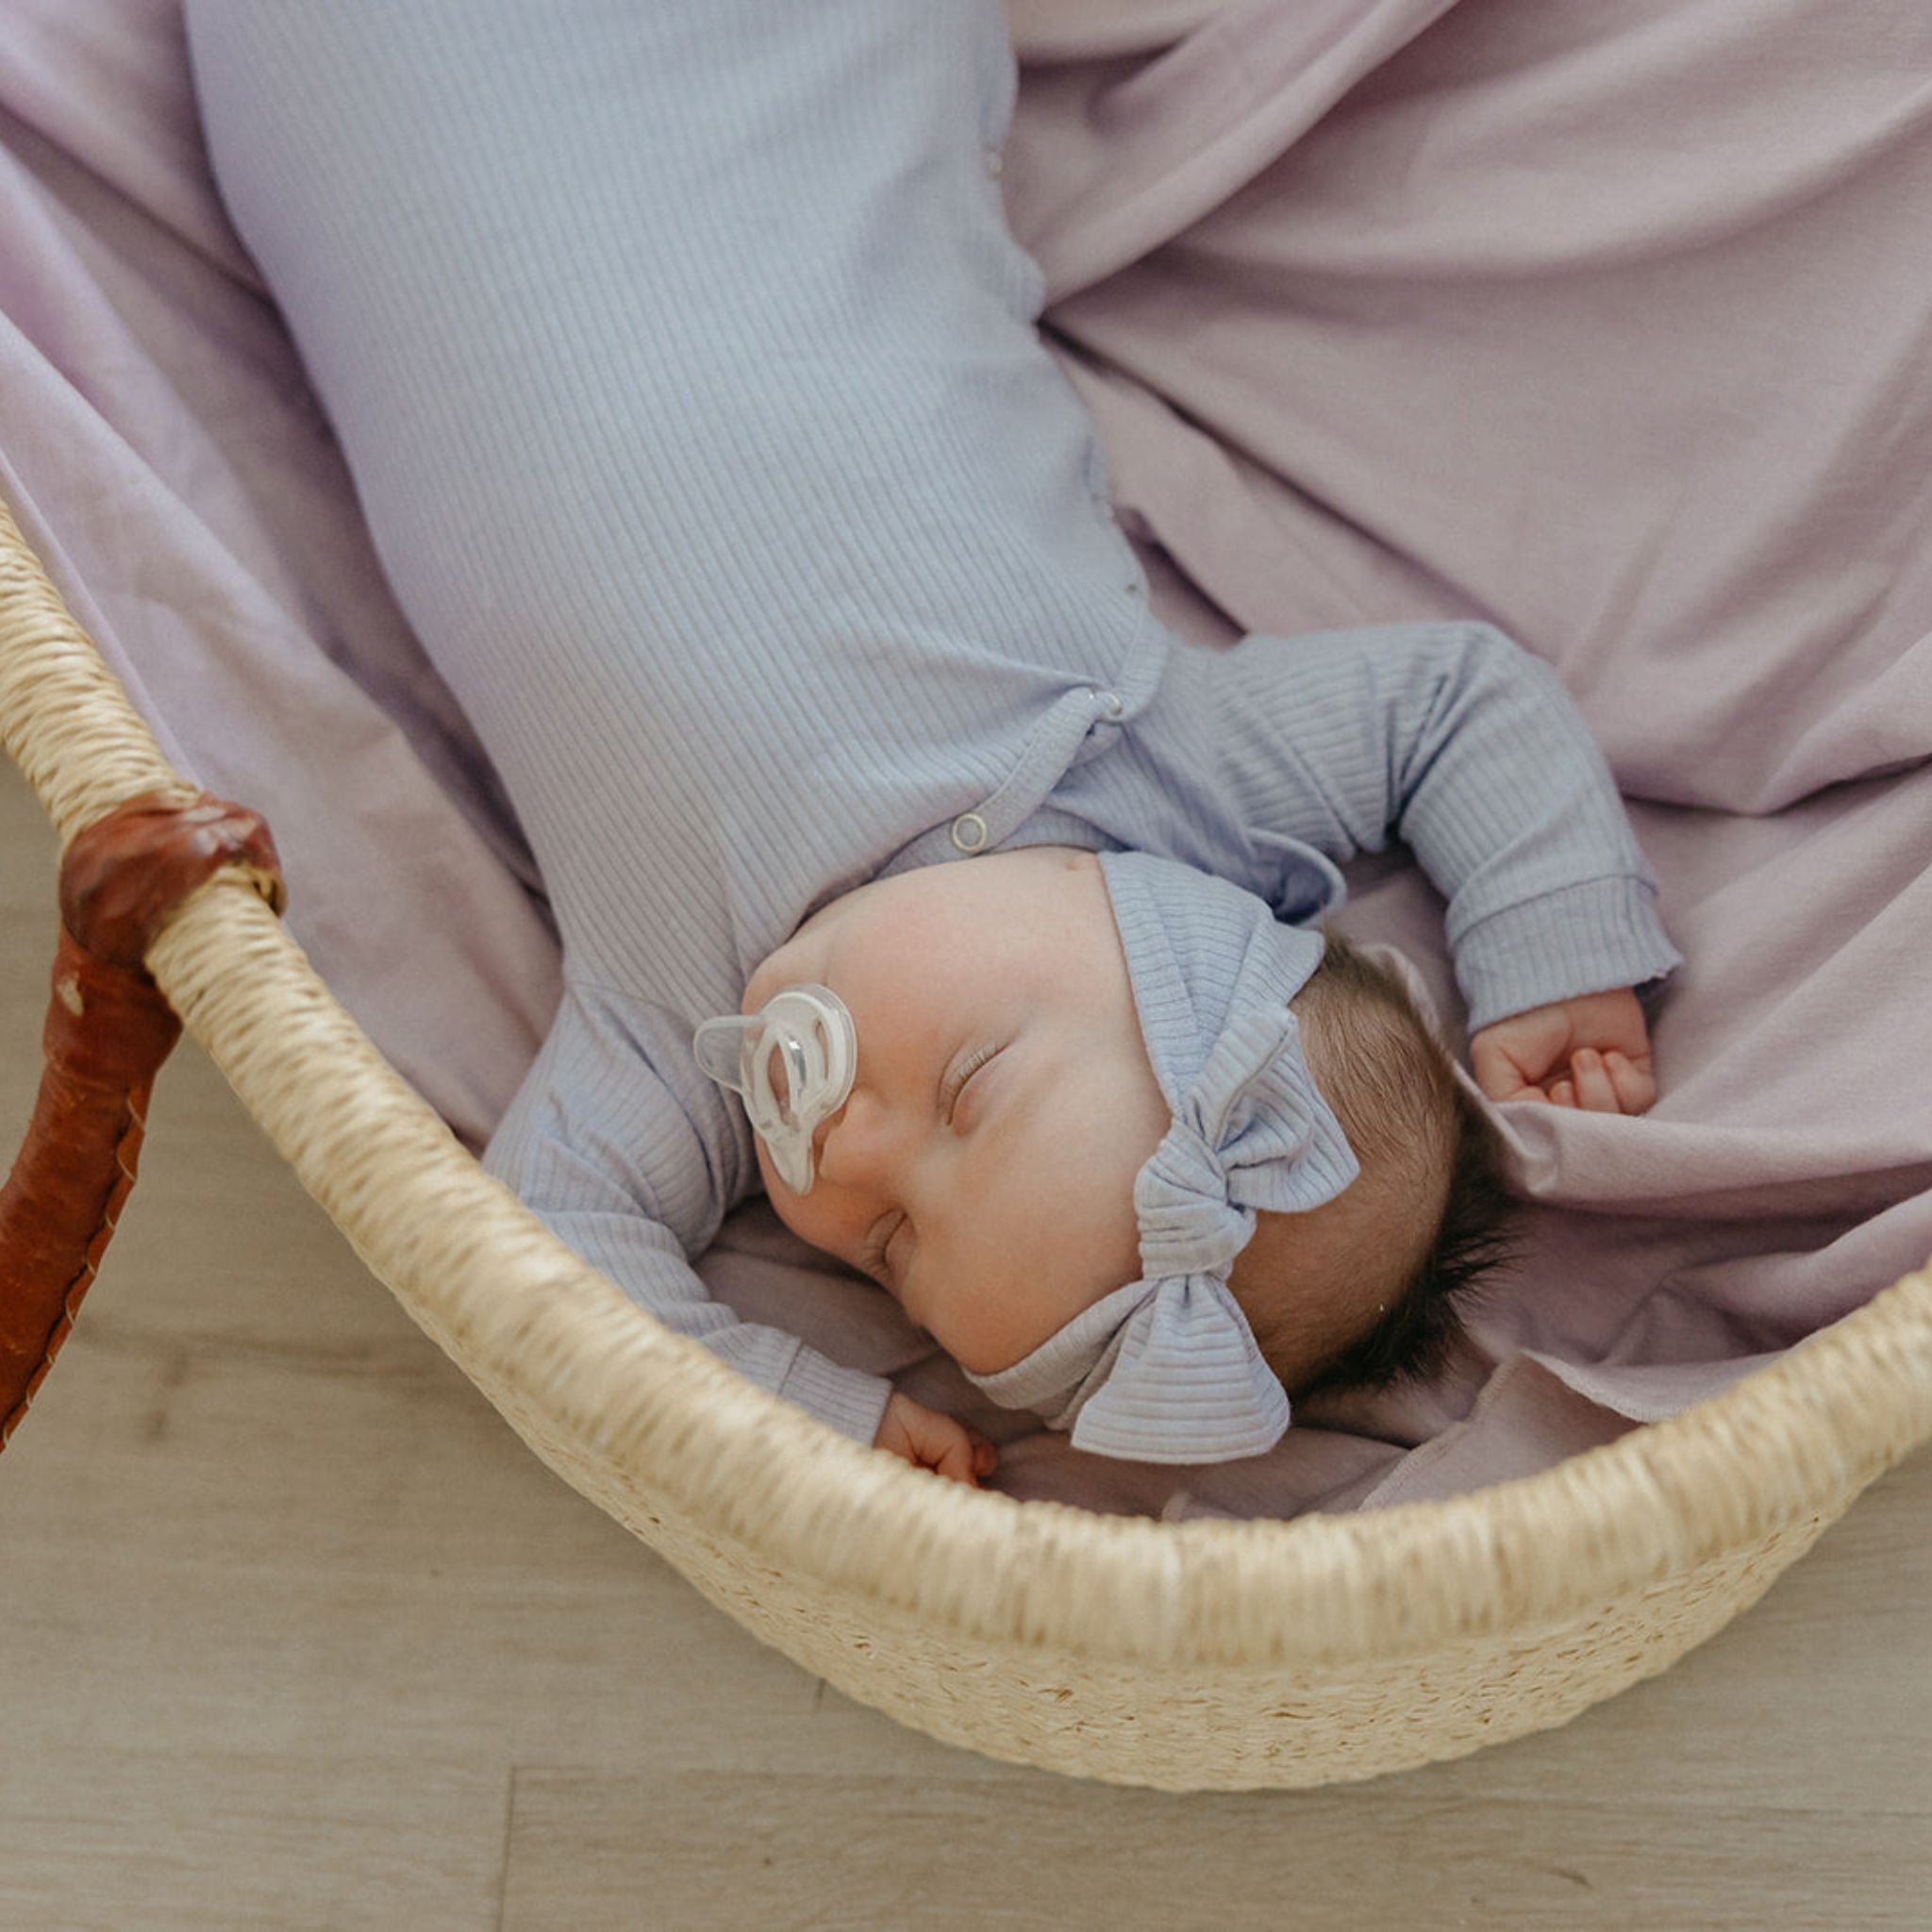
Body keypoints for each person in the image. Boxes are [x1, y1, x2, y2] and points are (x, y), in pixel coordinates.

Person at [184, 0, 1680, 1484]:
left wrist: (799, 1411)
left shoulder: (666, 1031)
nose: (841, 1158)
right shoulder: (1158, 760)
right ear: (1175, 918)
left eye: (889, 1251)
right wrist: (1553, 949)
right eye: (970, 1088)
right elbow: (1456, 703)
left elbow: (543, 1273)